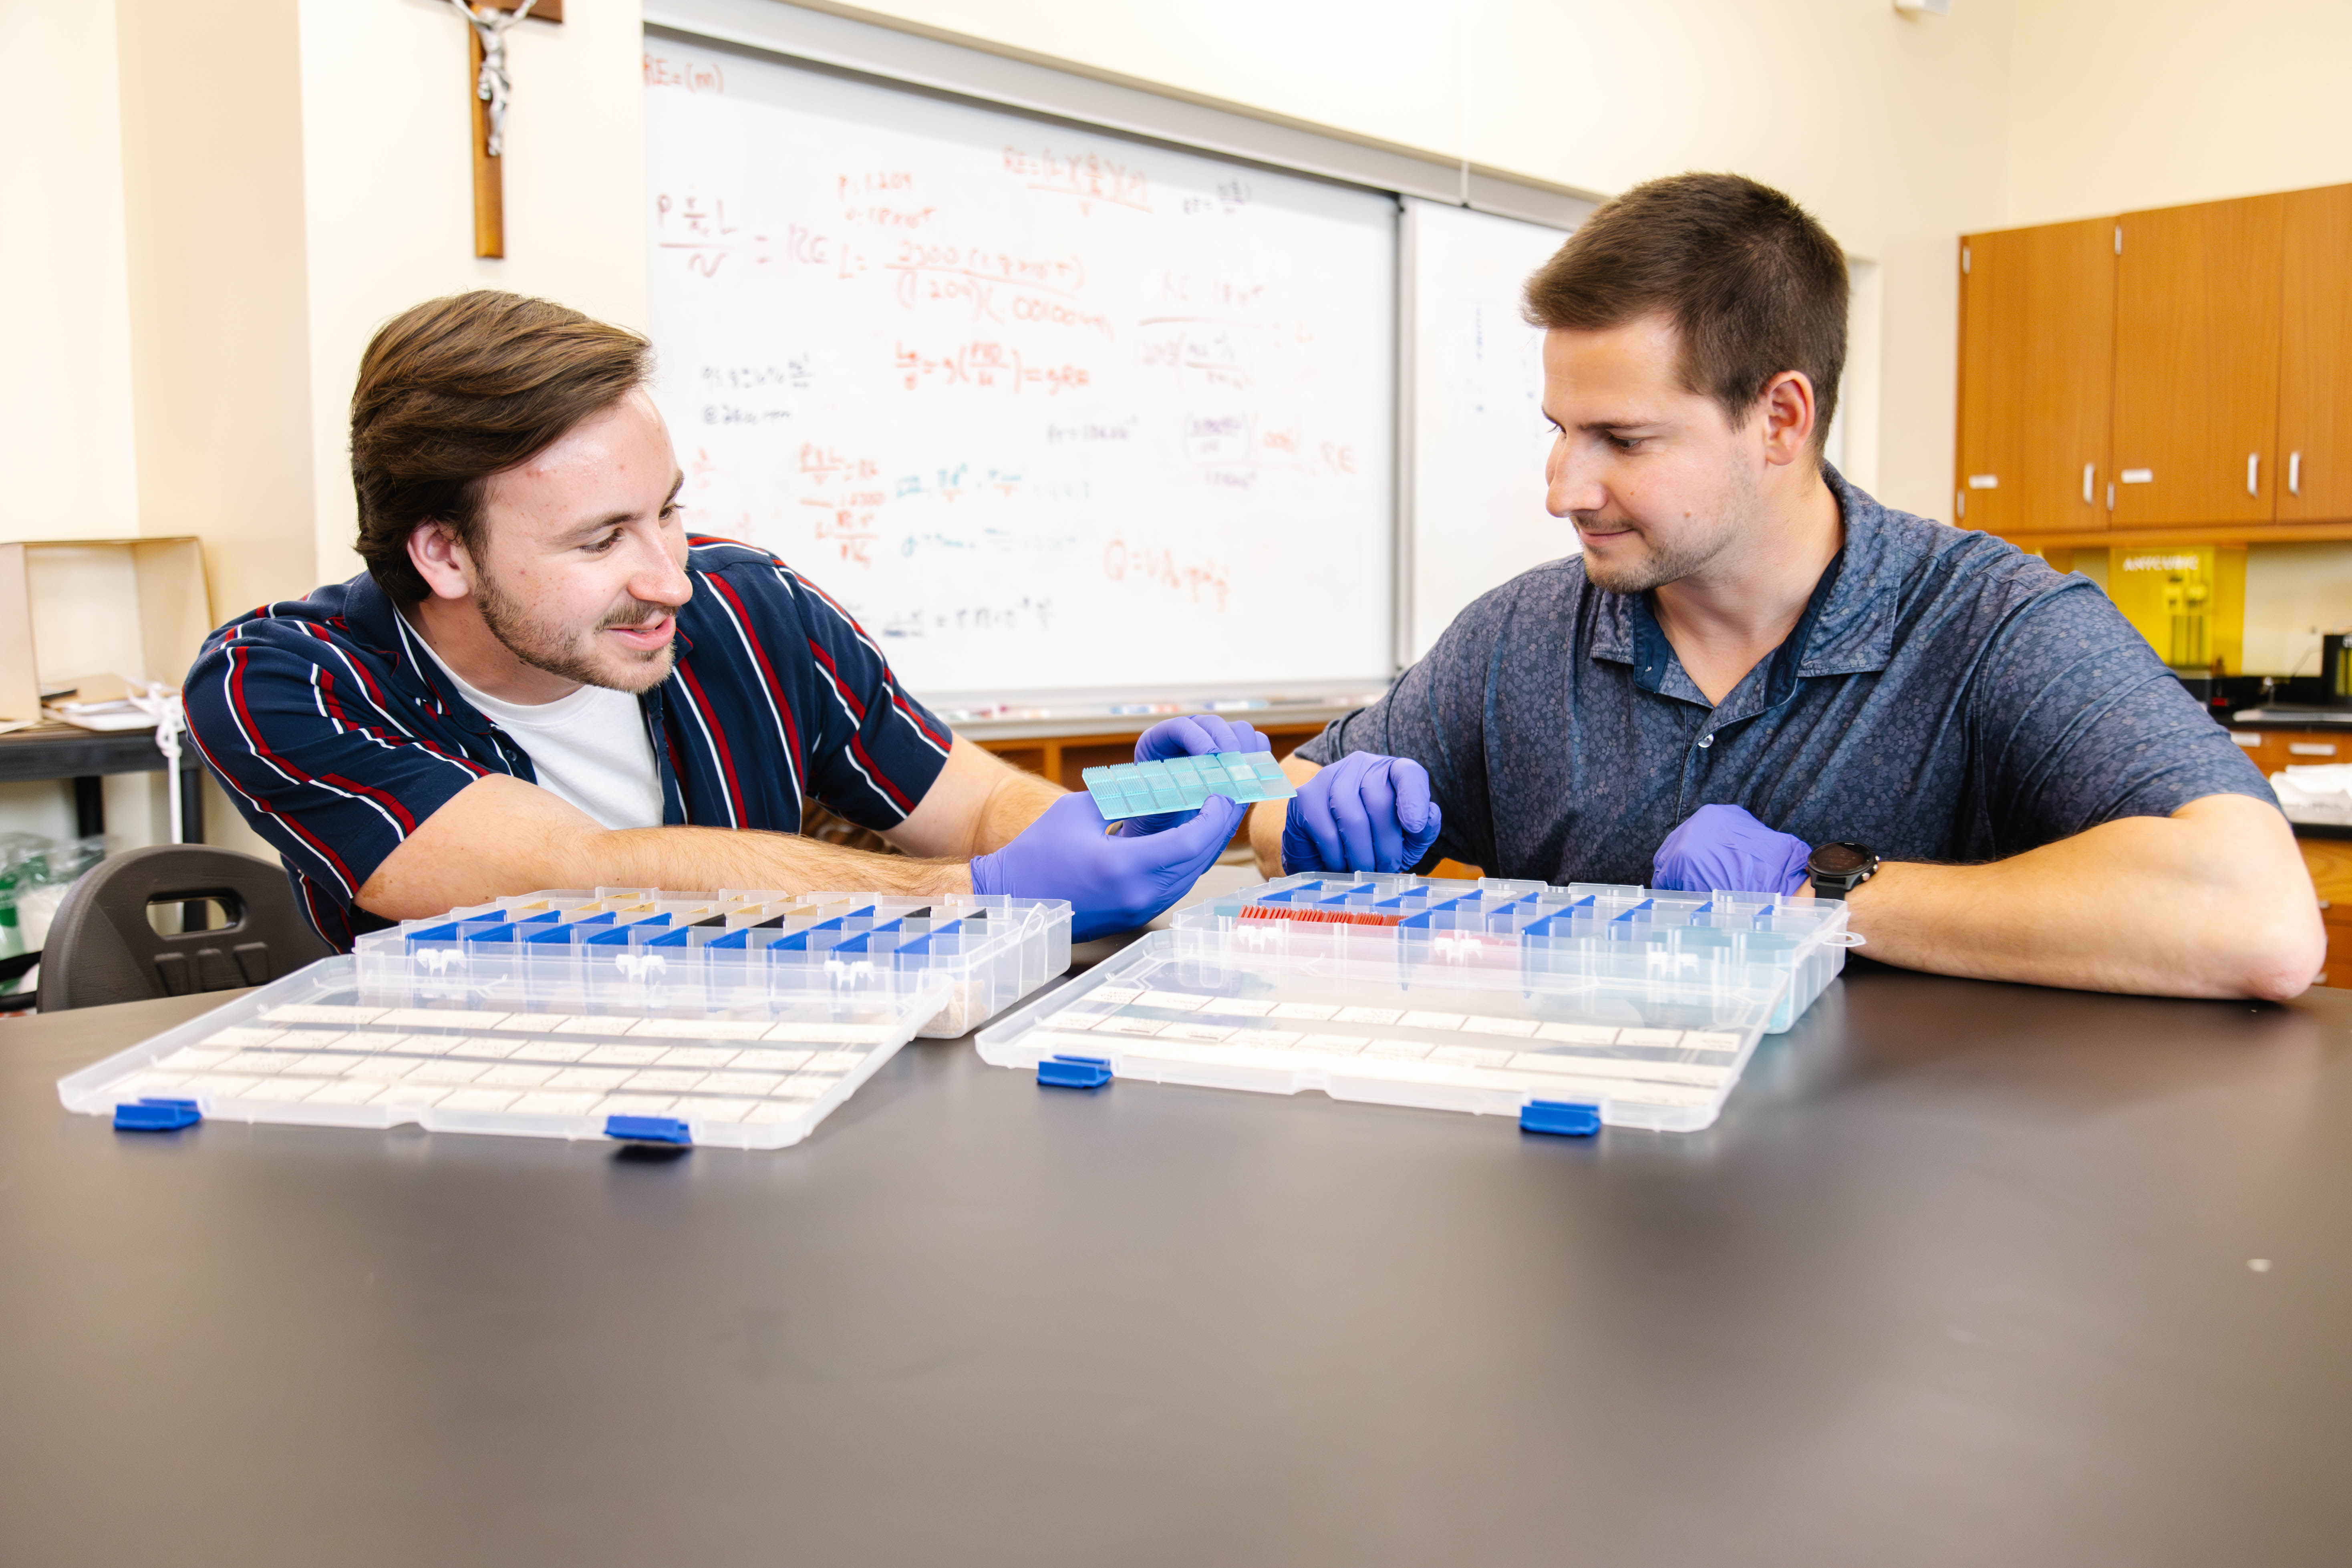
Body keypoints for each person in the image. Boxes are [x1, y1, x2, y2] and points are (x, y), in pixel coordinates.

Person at [1251, 172, 2323, 1002]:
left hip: (1888, 1227)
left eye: (1622, 438)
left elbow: (2261, 918)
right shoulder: (1521, 636)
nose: (1563, 489)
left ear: (1781, 418)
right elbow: (1289, 795)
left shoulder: (1993, 625)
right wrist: (1305, 821)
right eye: (1562, 432)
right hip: (1583, 1206)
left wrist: (1815, 893)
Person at [184, 291, 1244, 946]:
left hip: (770, 1118)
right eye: (602, 541)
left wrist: (1202, 798)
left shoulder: (752, 607)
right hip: (475, 1172)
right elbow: (584, 875)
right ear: (444, 552)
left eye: (669, 511)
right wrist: (979, 892)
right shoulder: (280, 681)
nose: (670, 580)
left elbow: (976, 811)